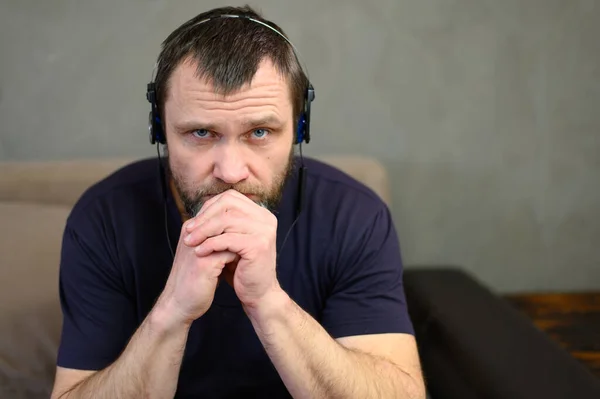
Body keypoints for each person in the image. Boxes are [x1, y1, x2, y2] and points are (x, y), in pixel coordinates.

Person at [50, 5, 425, 399]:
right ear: (160, 129)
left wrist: (267, 302)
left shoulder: (355, 217)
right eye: (200, 133)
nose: (230, 171)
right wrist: (173, 310)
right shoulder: (103, 218)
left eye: (259, 131)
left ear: (300, 128)